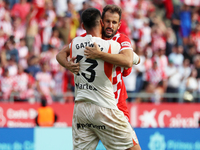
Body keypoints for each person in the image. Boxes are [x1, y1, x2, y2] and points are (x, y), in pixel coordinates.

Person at [56, 8, 139, 150]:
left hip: (97, 105)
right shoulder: (111, 45)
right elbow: (130, 60)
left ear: (119, 25)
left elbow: (128, 60)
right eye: (107, 21)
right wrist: (69, 65)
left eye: (114, 22)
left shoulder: (119, 39)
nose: (110, 25)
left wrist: (99, 54)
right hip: (106, 105)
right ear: (101, 22)